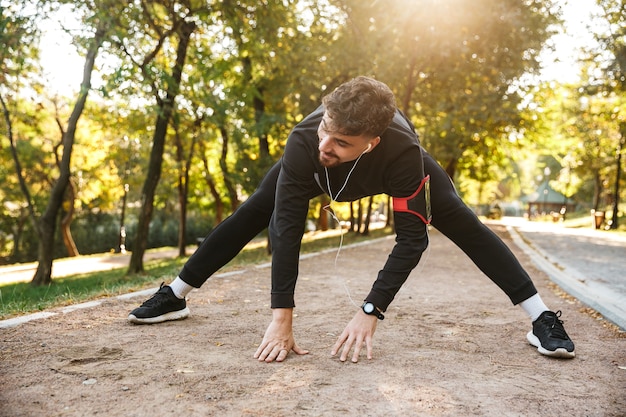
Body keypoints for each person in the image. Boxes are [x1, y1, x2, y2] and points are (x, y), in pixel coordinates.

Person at [128, 76, 575, 362]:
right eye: (326, 127)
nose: (327, 144)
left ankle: (540, 319)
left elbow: (410, 241)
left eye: (342, 141)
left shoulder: (403, 156)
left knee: (462, 222)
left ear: (371, 142)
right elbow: (286, 229)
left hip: (395, 168)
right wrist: (282, 315)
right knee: (253, 212)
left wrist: (371, 310)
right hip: (305, 177)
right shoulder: (306, 143)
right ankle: (176, 295)